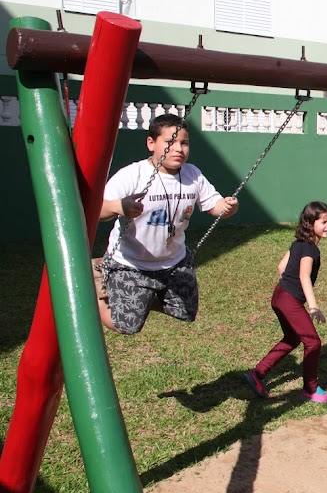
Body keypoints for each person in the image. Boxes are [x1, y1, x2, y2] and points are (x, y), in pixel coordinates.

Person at [99, 114, 239, 334]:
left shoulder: (192, 175)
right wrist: (119, 206)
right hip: (131, 263)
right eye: (170, 142)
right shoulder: (133, 175)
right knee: (127, 325)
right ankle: (93, 301)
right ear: (151, 143)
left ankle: (142, 298)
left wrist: (229, 206)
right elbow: (98, 210)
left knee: (186, 312)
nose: (178, 149)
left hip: (174, 261)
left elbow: (216, 206)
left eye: (184, 143)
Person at [245, 202, 327, 403]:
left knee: (293, 338)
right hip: (289, 300)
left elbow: (281, 267)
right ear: (310, 223)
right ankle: (310, 389)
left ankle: (257, 374)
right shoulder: (311, 250)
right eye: (323, 222)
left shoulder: (298, 243)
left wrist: (287, 287)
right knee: (312, 342)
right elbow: (304, 276)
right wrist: (313, 306)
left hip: (279, 296)